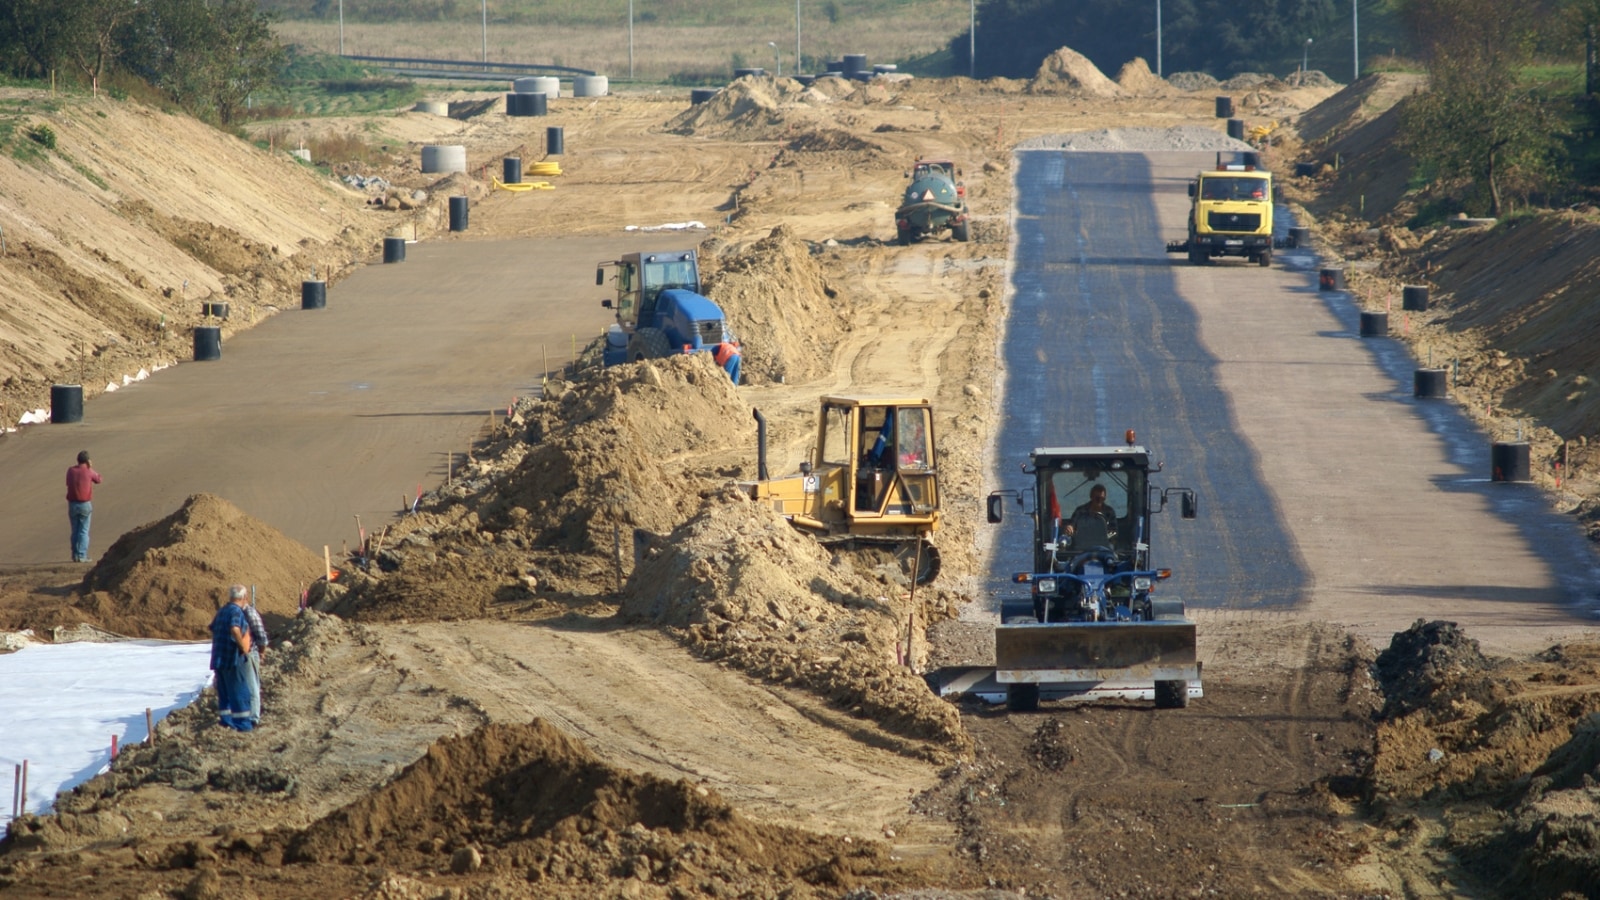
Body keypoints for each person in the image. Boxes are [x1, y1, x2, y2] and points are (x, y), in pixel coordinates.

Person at [209, 586, 254, 732]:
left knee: (224, 693)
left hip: (219, 658)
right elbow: (234, 628)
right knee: (239, 691)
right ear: (244, 597)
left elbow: (212, 628)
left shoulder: (222, 611)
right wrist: (242, 647)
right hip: (232, 658)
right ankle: (243, 725)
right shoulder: (236, 611)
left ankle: (226, 722)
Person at [237, 585, 270, 728]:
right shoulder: (249, 612)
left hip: (235, 655)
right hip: (248, 653)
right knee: (252, 686)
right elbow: (261, 635)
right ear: (245, 597)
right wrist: (262, 652)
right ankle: (252, 718)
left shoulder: (228, 613)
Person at [65, 450, 101, 563]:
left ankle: (75, 555)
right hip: (84, 504)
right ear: (87, 461)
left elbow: (68, 483)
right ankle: (81, 555)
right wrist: (90, 467)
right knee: (83, 531)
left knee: (75, 530)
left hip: (72, 504)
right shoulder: (88, 471)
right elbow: (98, 479)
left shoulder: (71, 470)